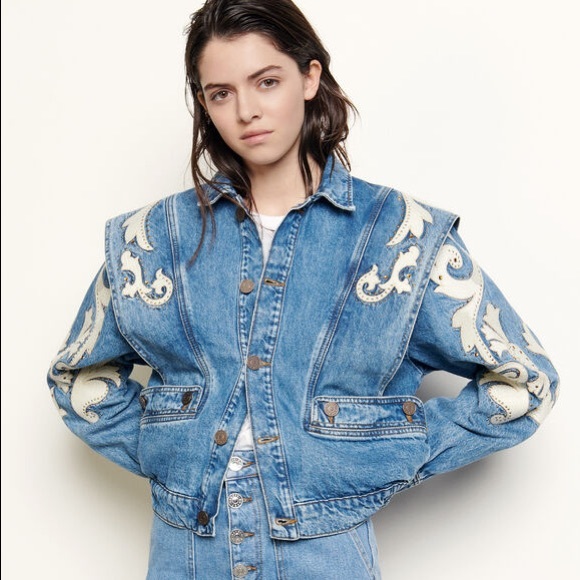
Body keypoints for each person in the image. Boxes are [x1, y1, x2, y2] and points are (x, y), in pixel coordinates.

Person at [47, 0, 559, 578]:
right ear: (204, 104)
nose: (246, 111)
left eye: (266, 81)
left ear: (310, 76)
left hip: (325, 554)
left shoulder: (400, 237)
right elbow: (78, 378)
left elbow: (526, 380)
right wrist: (170, 450)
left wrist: (390, 448)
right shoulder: (151, 238)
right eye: (220, 93)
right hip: (186, 550)